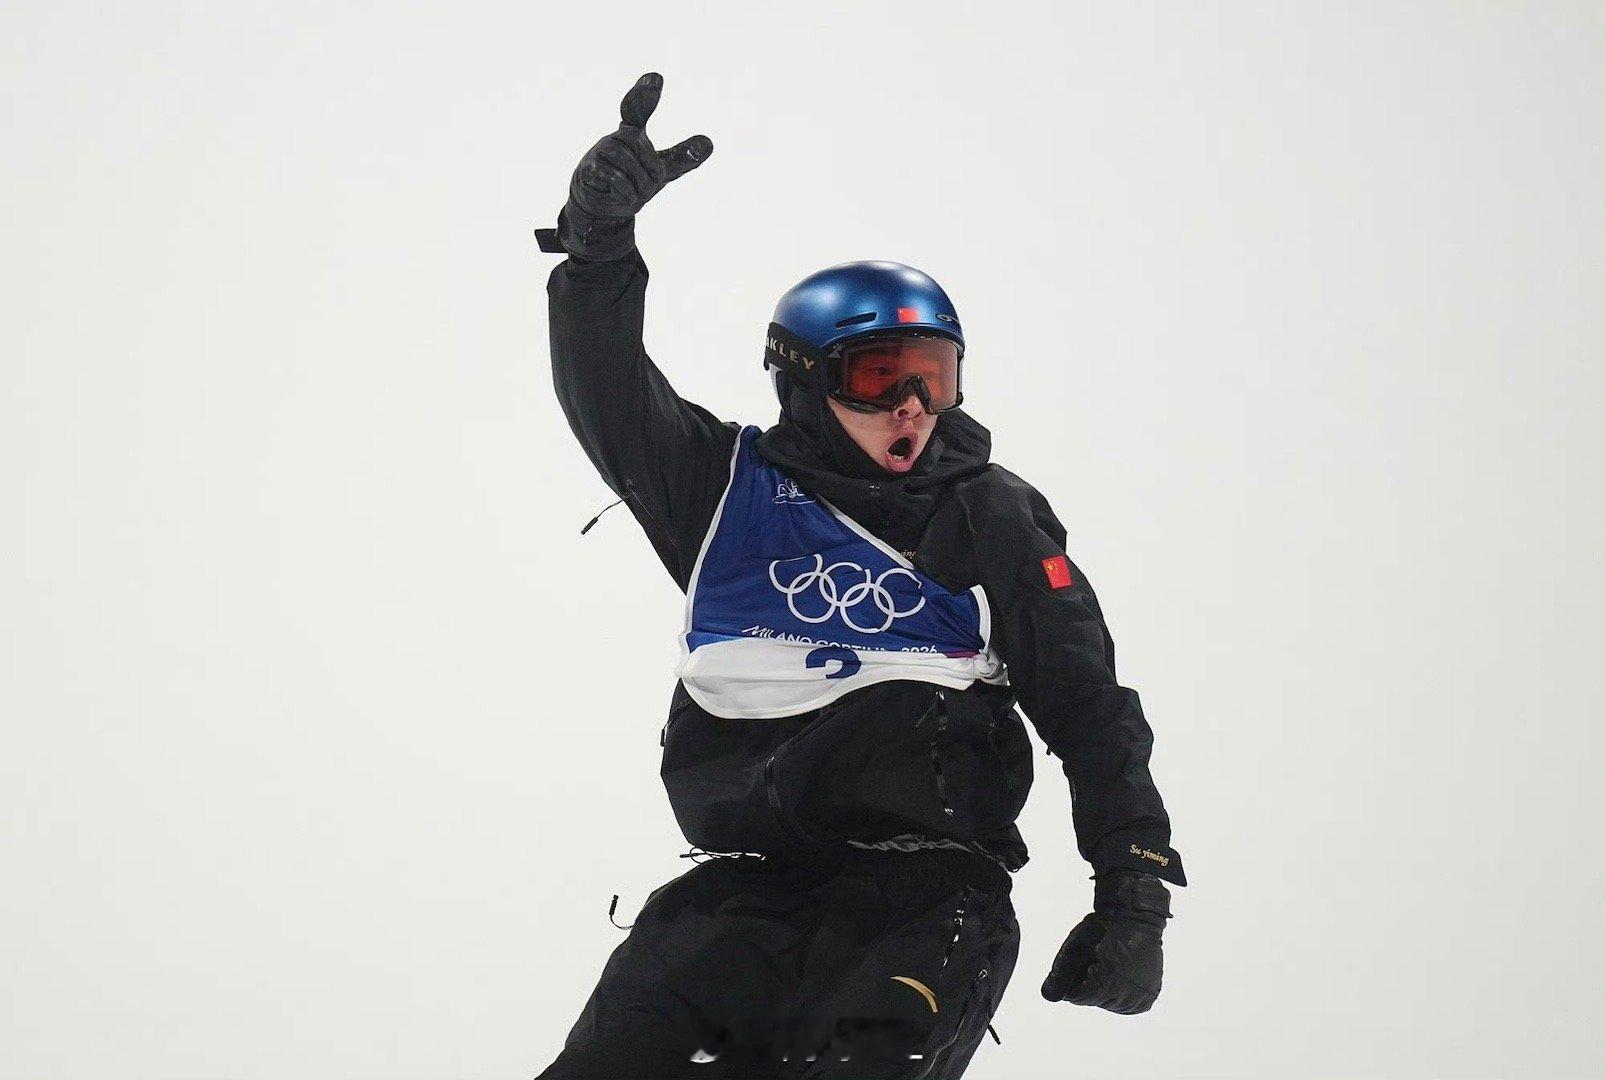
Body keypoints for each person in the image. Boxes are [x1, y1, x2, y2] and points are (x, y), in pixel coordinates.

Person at [531, 73, 1186, 1080]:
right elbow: (609, 391)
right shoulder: (723, 493)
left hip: (925, 902)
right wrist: (598, 252)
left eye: (937, 373)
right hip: (738, 897)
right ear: (804, 378)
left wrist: (1132, 891)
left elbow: (1089, 708)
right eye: (881, 378)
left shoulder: (991, 513)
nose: (915, 407)